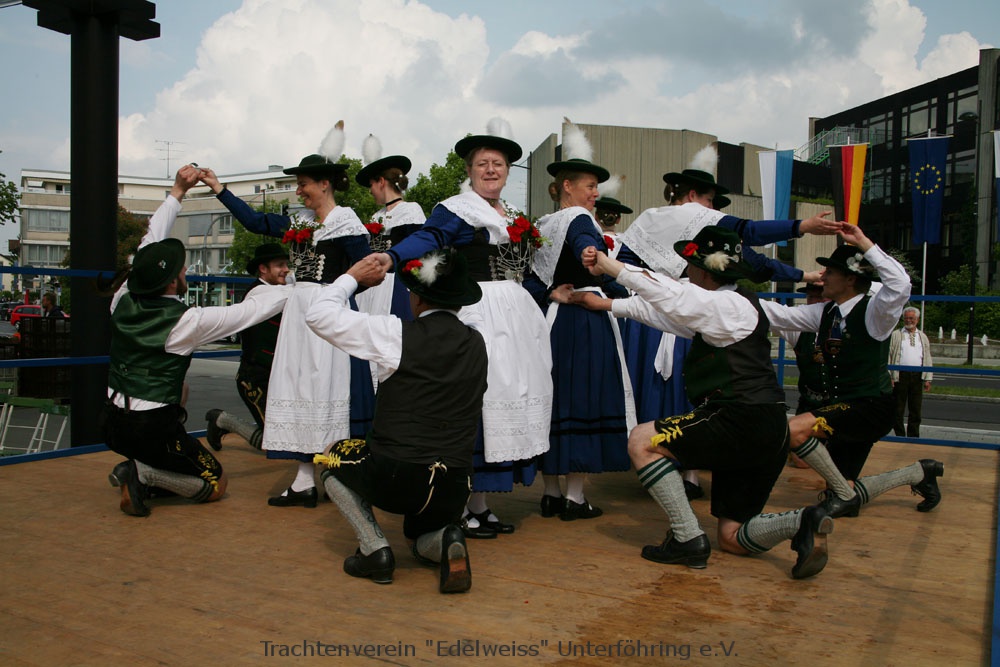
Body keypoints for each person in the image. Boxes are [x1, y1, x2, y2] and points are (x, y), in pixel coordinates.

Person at [557, 225, 833, 578]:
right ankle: (803, 520)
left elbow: (673, 297)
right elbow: (664, 314)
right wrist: (605, 303)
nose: (686, 271)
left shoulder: (725, 305)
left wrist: (609, 265)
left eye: (690, 265)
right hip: (768, 427)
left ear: (703, 270)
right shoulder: (737, 304)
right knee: (732, 538)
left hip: (740, 420)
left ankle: (687, 537)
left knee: (642, 440)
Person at [369, 120, 551, 539]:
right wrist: (394, 257)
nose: (491, 170)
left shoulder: (514, 216)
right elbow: (430, 236)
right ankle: (457, 506)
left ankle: (480, 504)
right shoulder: (456, 209)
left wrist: (551, 290)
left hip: (517, 317)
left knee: (511, 397)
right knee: (478, 402)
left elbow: (525, 268)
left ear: (508, 171)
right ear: (469, 170)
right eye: (482, 164)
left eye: (498, 164)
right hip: (480, 311)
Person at [104, 165, 290, 516]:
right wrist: (305, 286)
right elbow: (250, 311)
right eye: (182, 269)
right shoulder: (185, 323)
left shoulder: (123, 295)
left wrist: (178, 191)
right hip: (148, 427)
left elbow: (150, 241)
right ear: (172, 283)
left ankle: (145, 468)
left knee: (182, 391)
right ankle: (142, 472)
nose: (186, 270)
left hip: (112, 421)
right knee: (215, 484)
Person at [200, 145, 375, 508]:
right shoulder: (300, 223)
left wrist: (339, 294)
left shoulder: (346, 223)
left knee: (329, 390)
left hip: (330, 314)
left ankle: (343, 478)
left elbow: (369, 269)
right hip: (299, 317)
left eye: (303, 183)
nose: (298, 190)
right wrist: (219, 189)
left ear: (324, 184)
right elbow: (255, 222)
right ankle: (304, 481)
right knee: (300, 390)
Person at [308, 249, 487, 593]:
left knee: (330, 456)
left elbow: (318, 315)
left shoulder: (395, 333)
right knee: (419, 538)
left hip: (399, 476)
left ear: (416, 297)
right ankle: (446, 538)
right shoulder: (478, 340)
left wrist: (352, 277)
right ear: (460, 300)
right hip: (456, 483)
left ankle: (374, 549)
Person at [760, 225, 944, 518]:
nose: (823, 277)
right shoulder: (827, 312)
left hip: (870, 407)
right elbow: (779, 314)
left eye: (831, 272)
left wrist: (863, 243)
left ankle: (846, 495)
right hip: (846, 407)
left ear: (850, 279)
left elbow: (900, 284)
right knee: (841, 490)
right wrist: (730, 296)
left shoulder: (875, 312)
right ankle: (920, 472)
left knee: (794, 429)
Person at [527, 137, 635, 520]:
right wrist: (592, 255)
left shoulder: (543, 224)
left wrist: (549, 292)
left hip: (552, 321)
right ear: (568, 186)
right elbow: (586, 243)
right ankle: (575, 497)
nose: (595, 194)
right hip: (584, 320)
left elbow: (530, 278)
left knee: (554, 401)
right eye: (590, 186)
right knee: (583, 401)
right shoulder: (579, 219)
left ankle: (551, 493)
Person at [205, 243, 290, 451]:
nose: (286, 270)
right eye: (280, 265)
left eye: (286, 265)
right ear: (263, 269)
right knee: (278, 442)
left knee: (287, 438)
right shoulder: (259, 292)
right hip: (256, 378)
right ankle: (223, 421)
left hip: (276, 375)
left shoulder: (277, 290)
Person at [354, 136, 426, 323]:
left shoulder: (410, 210)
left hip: (397, 285)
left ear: (381, 182)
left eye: (371, 184)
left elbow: (420, 252)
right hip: (372, 286)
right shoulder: (376, 216)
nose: (370, 190)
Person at [889, 307, 933, 437]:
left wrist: (928, 378)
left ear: (917, 320)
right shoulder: (896, 335)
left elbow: (927, 357)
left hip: (917, 376)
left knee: (915, 409)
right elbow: (889, 355)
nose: (909, 321)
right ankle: (900, 435)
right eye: (906, 318)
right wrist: (890, 376)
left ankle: (913, 436)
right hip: (900, 375)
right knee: (898, 409)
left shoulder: (922, 336)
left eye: (911, 318)